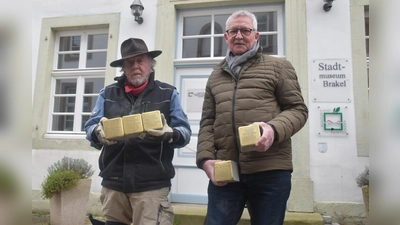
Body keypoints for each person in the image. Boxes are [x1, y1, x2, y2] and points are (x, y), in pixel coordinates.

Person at [196, 10, 308, 225]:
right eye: (233, 31)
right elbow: (208, 121)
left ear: (256, 36)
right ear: (226, 37)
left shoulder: (279, 67)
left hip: (270, 171)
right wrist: (205, 158)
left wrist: (273, 129)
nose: (239, 35)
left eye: (245, 30)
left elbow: (298, 110)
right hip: (226, 170)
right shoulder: (216, 75)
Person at [84, 38, 192, 225]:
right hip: (114, 184)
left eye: (140, 61)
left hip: (151, 187)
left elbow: (185, 133)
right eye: (129, 62)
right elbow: (90, 127)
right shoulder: (107, 94)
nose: (135, 66)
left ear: (150, 65)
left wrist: (169, 134)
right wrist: (97, 133)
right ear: (123, 68)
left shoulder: (167, 93)